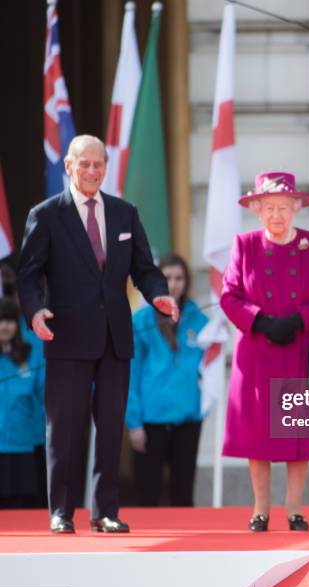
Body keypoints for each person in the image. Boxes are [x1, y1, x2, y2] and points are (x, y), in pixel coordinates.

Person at [17, 134, 178, 534]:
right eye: (84, 164)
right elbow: (28, 273)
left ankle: (105, 511)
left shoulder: (125, 214)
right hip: (66, 338)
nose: (92, 171)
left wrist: (158, 294)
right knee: (66, 428)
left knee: (109, 428)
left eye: (98, 164)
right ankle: (62, 511)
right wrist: (36, 311)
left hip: (114, 338)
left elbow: (145, 268)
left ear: (107, 166)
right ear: (69, 166)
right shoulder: (47, 214)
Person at [221, 171, 309, 532]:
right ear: (257, 209)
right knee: (259, 434)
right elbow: (229, 296)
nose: (276, 215)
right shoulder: (245, 244)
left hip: (298, 351)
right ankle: (260, 507)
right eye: (269, 207)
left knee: (297, 433)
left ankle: (294, 507)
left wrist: (300, 320)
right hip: (257, 352)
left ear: (296, 209)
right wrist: (258, 321)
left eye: (283, 208)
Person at [126, 254, 208, 507]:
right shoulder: (141, 320)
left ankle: (187, 545)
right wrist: (133, 423)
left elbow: (209, 367)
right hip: (150, 422)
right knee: (147, 494)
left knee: (183, 494)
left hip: (188, 419)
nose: (173, 283)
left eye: (179, 278)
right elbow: (130, 374)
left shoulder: (200, 318)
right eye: (167, 277)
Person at [0, 298, 44, 509]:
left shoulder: (31, 353)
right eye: (0, 320)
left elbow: (44, 396)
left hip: (25, 446)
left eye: (9, 320)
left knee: (22, 508)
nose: (4, 326)